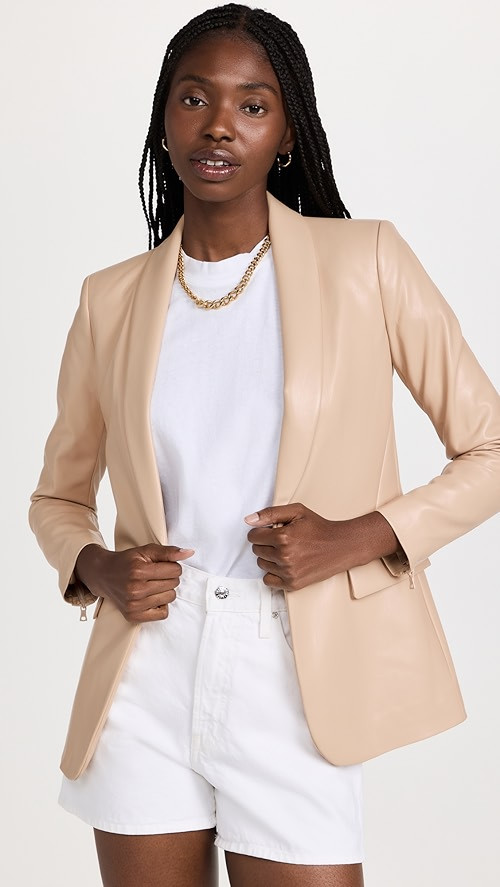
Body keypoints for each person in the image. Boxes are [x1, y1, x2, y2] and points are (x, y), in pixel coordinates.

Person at [28, 4, 500, 887]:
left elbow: (490, 448)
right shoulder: (109, 300)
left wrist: (357, 536)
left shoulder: (366, 262)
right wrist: (96, 565)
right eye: (194, 98)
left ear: (286, 133)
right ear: (164, 119)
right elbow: (57, 495)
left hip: (295, 661)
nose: (219, 125)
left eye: (252, 105)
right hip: (147, 662)